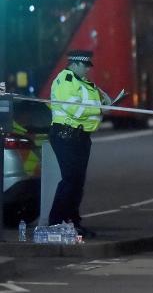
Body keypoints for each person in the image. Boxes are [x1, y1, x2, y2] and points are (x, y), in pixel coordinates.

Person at [48, 50, 111, 238]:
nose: (87, 70)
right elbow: (73, 109)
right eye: (84, 66)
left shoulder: (84, 83)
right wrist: (100, 109)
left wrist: (104, 98)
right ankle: (56, 223)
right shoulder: (65, 80)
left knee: (78, 183)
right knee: (70, 180)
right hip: (66, 135)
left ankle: (72, 223)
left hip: (81, 137)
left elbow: (89, 103)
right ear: (74, 64)